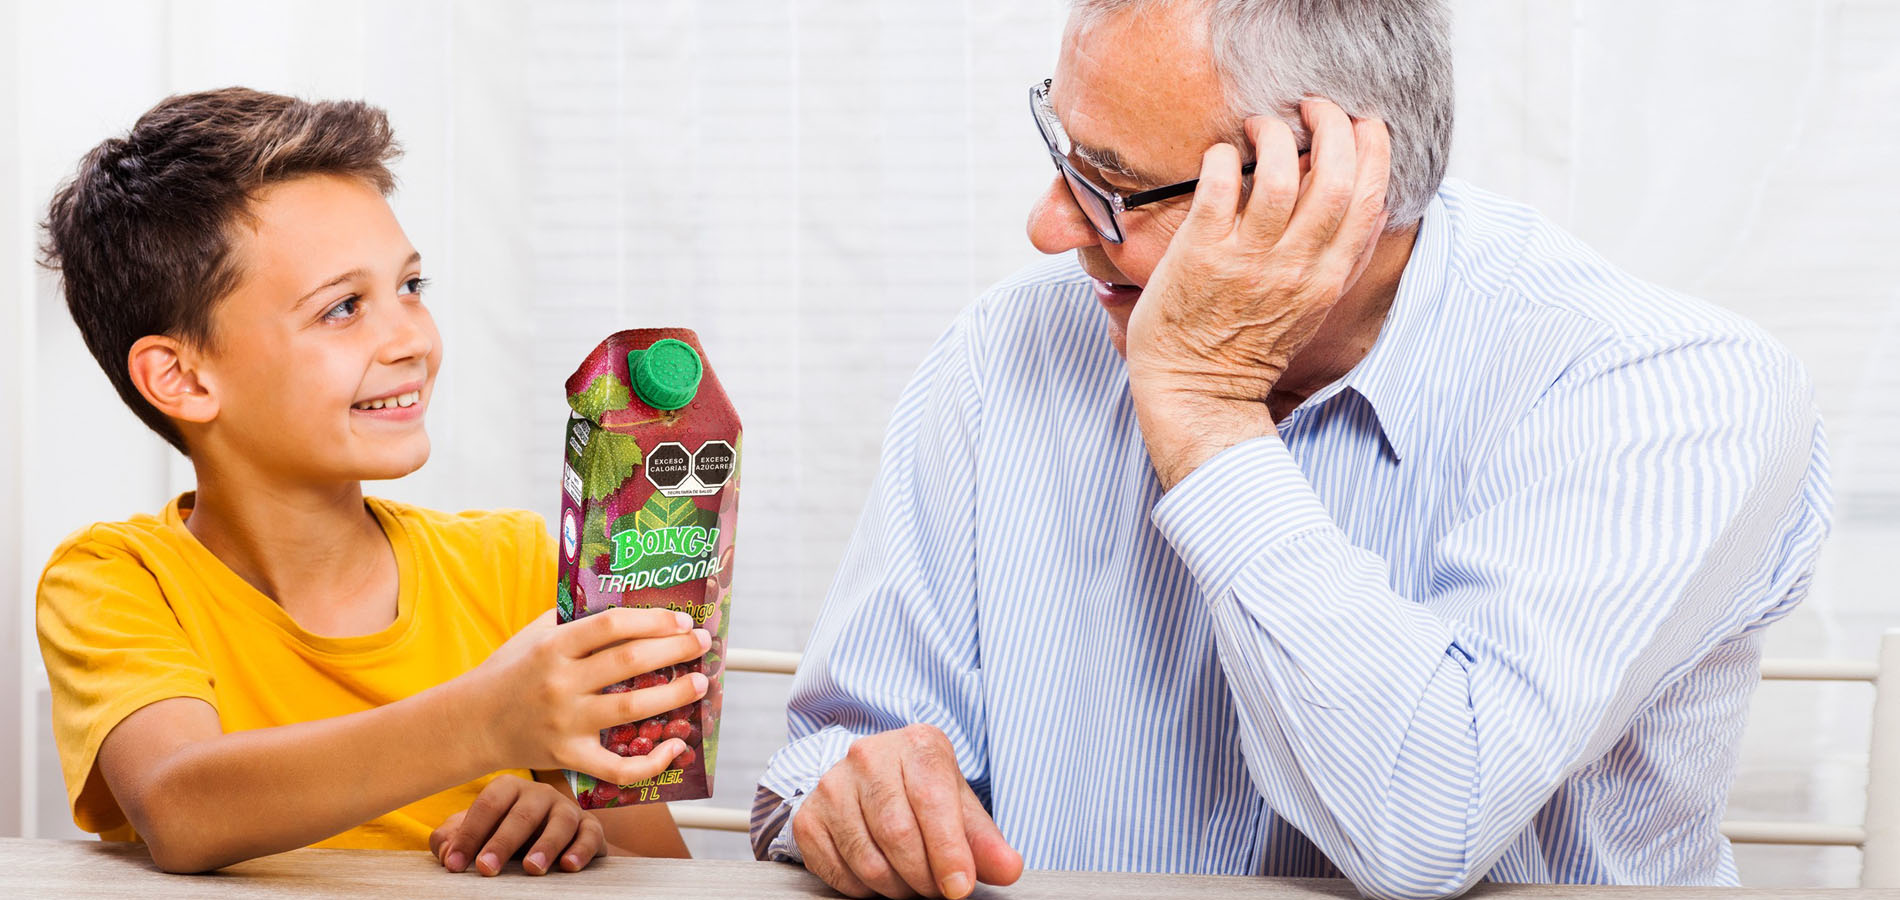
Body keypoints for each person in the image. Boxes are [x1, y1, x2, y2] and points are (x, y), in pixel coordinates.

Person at [751, 1, 1831, 898]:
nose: (1048, 226)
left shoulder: (1674, 392)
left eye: (1110, 184)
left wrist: (1210, 411)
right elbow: (817, 764)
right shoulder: (1006, 352)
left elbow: (1423, 826)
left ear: (1318, 185)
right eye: (1059, 151)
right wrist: (854, 795)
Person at [36, 88, 705, 875]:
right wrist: (488, 722)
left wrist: (579, 830)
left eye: (411, 288)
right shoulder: (116, 582)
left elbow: (669, 875)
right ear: (181, 378)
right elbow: (182, 807)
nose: (411, 338)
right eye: (344, 307)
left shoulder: (521, 565)